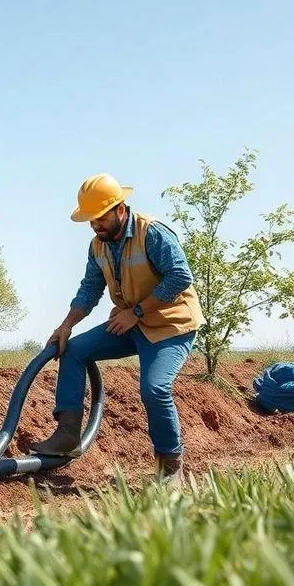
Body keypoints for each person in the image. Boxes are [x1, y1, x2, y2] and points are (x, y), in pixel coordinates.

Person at [28, 173, 205, 483]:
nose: (95, 225)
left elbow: (179, 277)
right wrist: (65, 326)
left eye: (100, 217)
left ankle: (169, 468)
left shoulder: (151, 232)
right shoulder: (98, 246)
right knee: (75, 350)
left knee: (154, 388)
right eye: (90, 220)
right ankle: (68, 435)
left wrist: (136, 312)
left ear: (120, 209)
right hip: (131, 322)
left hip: (170, 325)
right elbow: (89, 290)